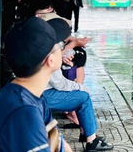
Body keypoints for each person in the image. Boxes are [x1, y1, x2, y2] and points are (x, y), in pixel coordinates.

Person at [0, 17, 73, 152]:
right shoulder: (24, 111)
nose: (62, 49)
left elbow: (57, 143)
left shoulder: (32, 96)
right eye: (60, 46)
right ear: (50, 60)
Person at [43, 18, 114, 151]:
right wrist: (81, 87)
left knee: (80, 95)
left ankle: (85, 133)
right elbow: (60, 83)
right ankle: (91, 141)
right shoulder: (51, 50)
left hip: (37, 92)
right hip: (44, 95)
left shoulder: (42, 45)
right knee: (83, 97)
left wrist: (61, 61)